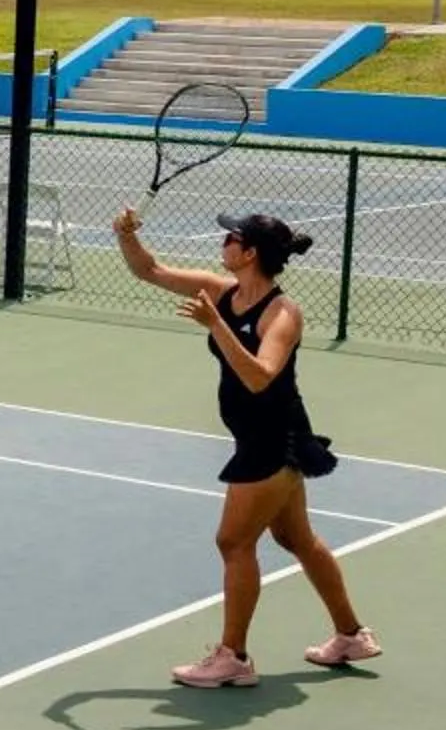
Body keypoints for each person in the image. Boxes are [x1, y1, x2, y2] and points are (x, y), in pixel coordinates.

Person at [113, 207, 377, 688]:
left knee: (233, 542)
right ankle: (352, 635)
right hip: (265, 435)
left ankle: (233, 657)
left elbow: (259, 377)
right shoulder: (222, 292)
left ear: (251, 252)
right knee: (296, 538)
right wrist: (125, 235)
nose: (224, 242)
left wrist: (217, 326)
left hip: (273, 438)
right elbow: (149, 270)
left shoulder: (282, 313)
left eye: (232, 237)